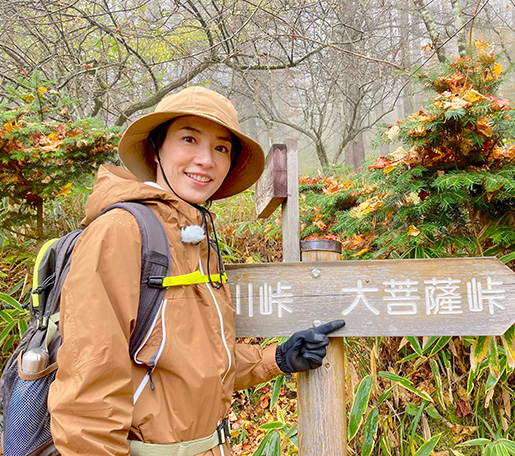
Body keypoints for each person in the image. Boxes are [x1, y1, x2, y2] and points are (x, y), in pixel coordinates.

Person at [47, 86, 345, 456]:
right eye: (189, 139)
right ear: (157, 146)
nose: (205, 160)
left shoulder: (194, 237)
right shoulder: (122, 231)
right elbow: (87, 392)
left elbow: (192, 363)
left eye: (221, 148)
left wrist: (277, 358)